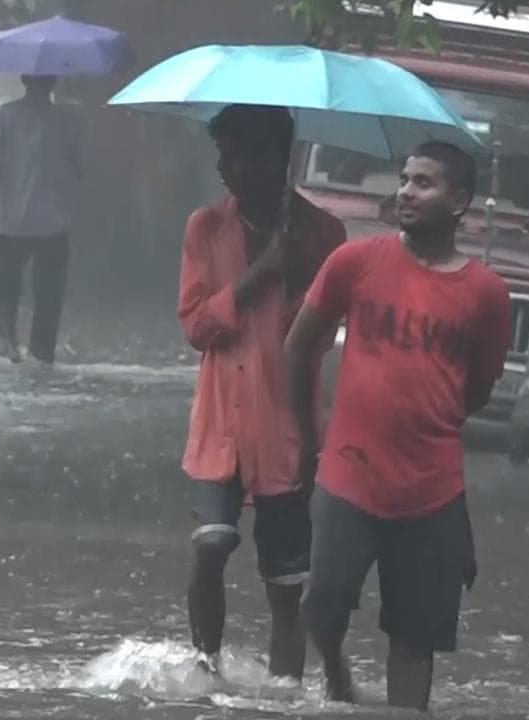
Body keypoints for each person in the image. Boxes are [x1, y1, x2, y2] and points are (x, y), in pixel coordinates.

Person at [284, 142, 513, 710]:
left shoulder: (487, 293)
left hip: (432, 489)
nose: (407, 191)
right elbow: (299, 346)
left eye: (425, 183)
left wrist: (426, 422)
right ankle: (338, 681)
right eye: (405, 179)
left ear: (459, 201)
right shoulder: (356, 262)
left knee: (415, 637)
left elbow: (478, 388)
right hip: (348, 470)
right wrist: (310, 439)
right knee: (322, 601)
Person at [179, 105, 345, 680]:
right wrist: (257, 276)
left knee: (286, 583)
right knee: (211, 543)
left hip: (286, 425)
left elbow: (318, 337)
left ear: (273, 157)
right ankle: (204, 667)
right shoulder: (205, 227)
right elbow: (197, 326)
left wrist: (297, 275)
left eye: (236, 153)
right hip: (219, 421)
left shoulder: (325, 234)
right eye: (220, 153)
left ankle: (284, 692)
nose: (223, 167)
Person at [0, 74, 83, 364]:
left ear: (24, 80)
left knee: (4, 290)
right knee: (48, 298)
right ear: (53, 81)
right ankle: (43, 355)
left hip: (11, 221)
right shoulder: (67, 119)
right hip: (53, 222)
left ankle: (9, 345)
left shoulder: (5, 116)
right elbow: (78, 168)